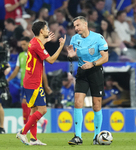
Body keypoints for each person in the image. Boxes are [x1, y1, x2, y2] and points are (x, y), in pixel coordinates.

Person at [16, 21, 66, 145]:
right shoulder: (37, 45)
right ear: (41, 31)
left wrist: (46, 40)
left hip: (30, 80)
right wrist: (61, 46)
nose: (48, 29)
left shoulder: (34, 42)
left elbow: (38, 46)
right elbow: (51, 60)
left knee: (33, 111)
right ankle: (22, 132)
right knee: (43, 110)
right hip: (34, 82)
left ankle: (33, 138)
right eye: (46, 28)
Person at [66, 16, 108, 145]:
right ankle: (78, 137)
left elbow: (105, 57)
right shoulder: (74, 39)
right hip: (82, 72)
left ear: (85, 25)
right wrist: (71, 56)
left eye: (78, 25)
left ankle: (96, 137)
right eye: (74, 26)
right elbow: (72, 54)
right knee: (78, 102)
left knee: (96, 105)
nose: (76, 28)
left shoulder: (98, 38)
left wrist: (92, 64)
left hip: (95, 71)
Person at [7, 36, 51, 132]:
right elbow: (16, 71)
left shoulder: (36, 52)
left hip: (34, 84)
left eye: (24, 44)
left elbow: (43, 71)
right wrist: (8, 79)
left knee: (27, 105)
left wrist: (46, 85)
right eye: (21, 44)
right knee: (30, 106)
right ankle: (40, 123)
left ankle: (26, 127)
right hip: (24, 84)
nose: (22, 46)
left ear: (28, 43)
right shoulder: (21, 55)